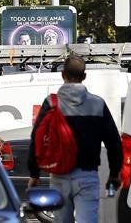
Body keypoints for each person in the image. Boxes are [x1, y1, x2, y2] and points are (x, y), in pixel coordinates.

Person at [27, 55, 122, 223]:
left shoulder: (51, 103)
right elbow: (113, 142)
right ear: (84, 77)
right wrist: (114, 174)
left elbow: (36, 138)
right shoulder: (98, 104)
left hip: (58, 176)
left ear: (62, 74)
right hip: (88, 176)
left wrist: (34, 173)